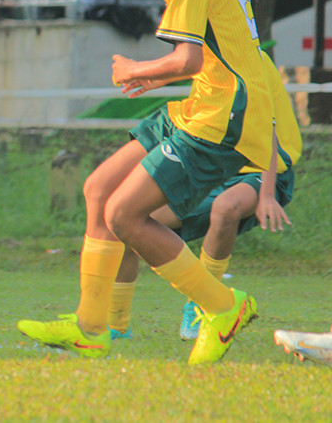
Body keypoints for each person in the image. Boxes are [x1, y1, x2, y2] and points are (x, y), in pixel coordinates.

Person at [17, 0, 274, 366]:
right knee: (98, 189)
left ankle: (223, 307)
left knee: (124, 215)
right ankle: (92, 329)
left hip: (221, 117)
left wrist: (135, 71)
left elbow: (188, 58)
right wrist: (151, 76)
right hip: (205, 105)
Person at [106, 53, 300, 341]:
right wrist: (153, 79)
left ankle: (203, 308)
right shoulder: (209, 50)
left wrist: (268, 194)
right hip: (216, 163)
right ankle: (116, 325)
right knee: (125, 221)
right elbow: (189, 66)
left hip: (265, 166)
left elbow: (268, 128)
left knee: (226, 207)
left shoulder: (248, 58)